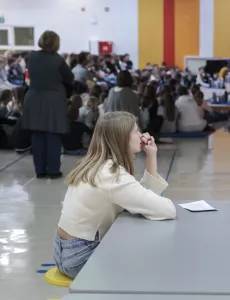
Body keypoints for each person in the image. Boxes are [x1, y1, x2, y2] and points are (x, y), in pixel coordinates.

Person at [53, 112, 176, 278]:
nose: (140, 135)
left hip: (61, 251)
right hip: (81, 257)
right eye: (136, 131)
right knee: (149, 257)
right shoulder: (112, 176)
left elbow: (143, 198)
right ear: (122, 138)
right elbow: (166, 210)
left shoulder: (93, 165)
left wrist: (151, 155)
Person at [22, 31, 74, 179]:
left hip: (33, 98)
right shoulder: (58, 60)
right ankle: (53, 170)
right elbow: (70, 78)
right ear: (56, 43)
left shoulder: (31, 57)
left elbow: (28, 77)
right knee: (53, 135)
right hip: (53, 99)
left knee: (37, 135)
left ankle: (40, 170)